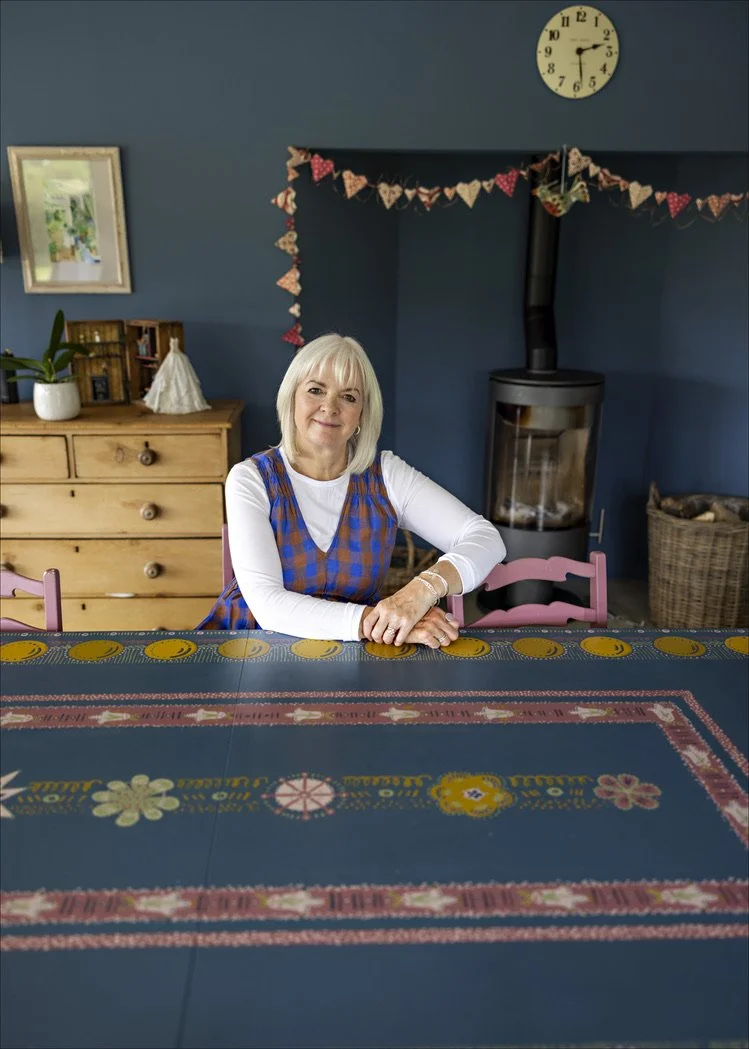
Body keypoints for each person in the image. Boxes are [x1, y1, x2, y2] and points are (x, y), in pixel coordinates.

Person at [197, 334, 505, 647]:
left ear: (362, 413)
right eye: (316, 390)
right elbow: (269, 607)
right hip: (252, 645)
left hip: (349, 650)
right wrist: (381, 623)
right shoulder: (250, 479)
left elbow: (486, 538)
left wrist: (420, 592)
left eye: (348, 397)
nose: (329, 407)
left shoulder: (386, 475)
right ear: (291, 398)